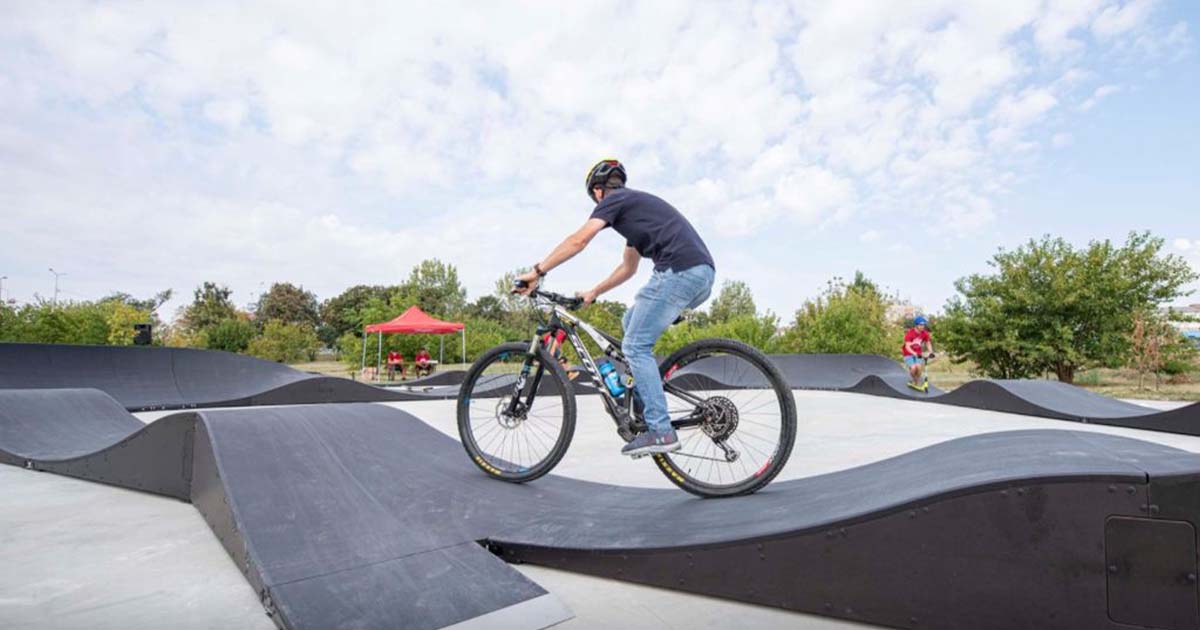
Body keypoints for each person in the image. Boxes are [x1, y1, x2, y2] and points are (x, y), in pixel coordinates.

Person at [515, 158, 715, 457]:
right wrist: (593, 292)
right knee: (628, 323)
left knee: (635, 346)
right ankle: (644, 404)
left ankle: (661, 431)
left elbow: (579, 240)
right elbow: (628, 268)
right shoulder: (635, 216)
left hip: (679, 272)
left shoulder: (616, 200)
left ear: (598, 192)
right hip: (699, 276)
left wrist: (538, 271)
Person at [903, 315, 935, 391]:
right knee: (913, 368)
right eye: (920, 325)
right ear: (916, 325)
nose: (922, 326)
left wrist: (931, 352)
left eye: (923, 325)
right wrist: (914, 353)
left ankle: (916, 381)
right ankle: (915, 381)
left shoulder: (925, 333)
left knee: (919, 367)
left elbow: (928, 343)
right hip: (908, 353)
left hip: (918, 353)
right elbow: (907, 347)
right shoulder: (910, 334)